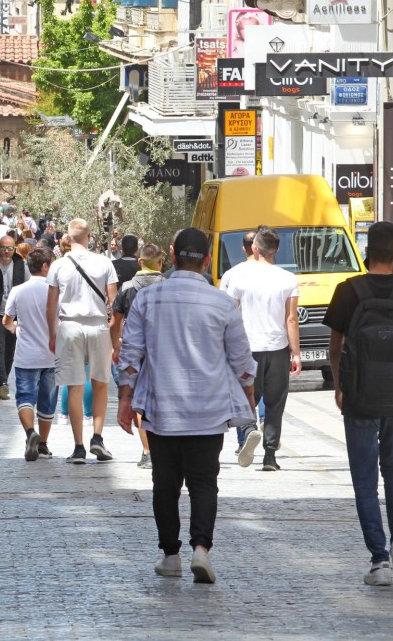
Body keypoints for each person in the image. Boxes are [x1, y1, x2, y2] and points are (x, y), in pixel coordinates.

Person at [116, 228, 259, 584]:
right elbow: (241, 360)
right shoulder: (222, 303)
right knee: (204, 481)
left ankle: (170, 554)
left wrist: (124, 398)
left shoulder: (148, 300)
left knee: (164, 483)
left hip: (162, 410)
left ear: (172, 254)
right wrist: (250, 398)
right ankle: (201, 550)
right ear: (208, 259)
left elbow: (130, 355)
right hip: (208, 411)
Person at [324, 221, 393, 586]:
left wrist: (340, 387)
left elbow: (335, 349)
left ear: (367, 251)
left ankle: (379, 561)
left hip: (359, 398)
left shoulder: (347, 290)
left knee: (365, 480)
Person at [225, 226, 300, 472]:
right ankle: (270, 456)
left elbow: (230, 315)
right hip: (277, 348)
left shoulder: (238, 276)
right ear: (276, 250)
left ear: (255, 249)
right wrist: (296, 353)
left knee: (246, 397)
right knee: (275, 402)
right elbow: (291, 319)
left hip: (247, 348)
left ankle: (248, 430)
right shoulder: (287, 278)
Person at [46, 219, 119, 464]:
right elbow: (113, 302)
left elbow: (51, 305)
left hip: (69, 325)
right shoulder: (104, 262)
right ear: (89, 237)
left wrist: (52, 333)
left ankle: (78, 447)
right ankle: (97, 437)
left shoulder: (58, 265)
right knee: (101, 384)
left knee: (74, 386)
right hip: (98, 325)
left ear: (68, 238)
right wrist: (113, 333)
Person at [110, 243, 166, 469]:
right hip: (162, 351)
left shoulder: (127, 287)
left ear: (140, 262)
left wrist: (115, 346)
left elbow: (115, 321)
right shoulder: (167, 286)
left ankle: (147, 450)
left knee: (138, 399)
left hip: (134, 349)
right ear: (161, 262)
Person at [3, 248, 57, 461]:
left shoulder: (18, 290)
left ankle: (29, 433)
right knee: (48, 401)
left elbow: (7, 321)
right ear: (45, 266)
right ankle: (42, 444)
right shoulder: (56, 290)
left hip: (26, 355)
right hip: (52, 355)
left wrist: (15, 327)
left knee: (25, 397)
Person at [219, 230, 257, 452]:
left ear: (244, 249)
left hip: (239, 339)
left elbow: (225, 308)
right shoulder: (276, 274)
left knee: (242, 388)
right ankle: (264, 428)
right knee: (262, 390)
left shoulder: (232, 274)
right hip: (271, 341)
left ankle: (245, 436)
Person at [0, 235, 28, 400]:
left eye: (10, 248)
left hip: (14, 314)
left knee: (9, 351)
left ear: (14, 249)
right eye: (3, 247)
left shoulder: (21, 265)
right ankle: (3, 382)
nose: (6, 251)